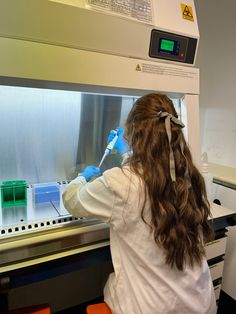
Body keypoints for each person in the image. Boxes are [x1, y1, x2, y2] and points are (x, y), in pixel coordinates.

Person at [62, 93, 217, 314]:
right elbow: (151, 173)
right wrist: (126, 154)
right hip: (202, 305)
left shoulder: (120, 183)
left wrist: (81, 177)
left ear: (134, 133)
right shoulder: (188, 176)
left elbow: (71, 200)